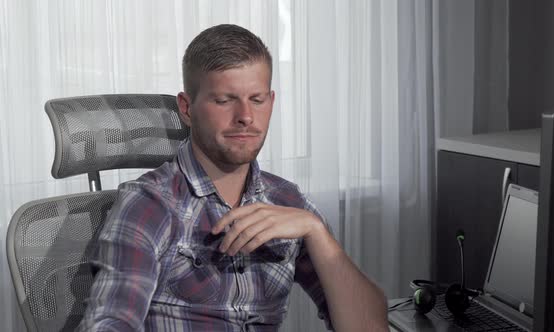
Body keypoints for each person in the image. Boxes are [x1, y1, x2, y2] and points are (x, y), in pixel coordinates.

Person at [77, 24, 388, 332]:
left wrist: (316, 231)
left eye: (257, 99)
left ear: (272, 101)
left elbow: (371, 328)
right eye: (225, 100)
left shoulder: (288, 202)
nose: (246, 117)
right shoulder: (151, 204)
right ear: (186, 108)